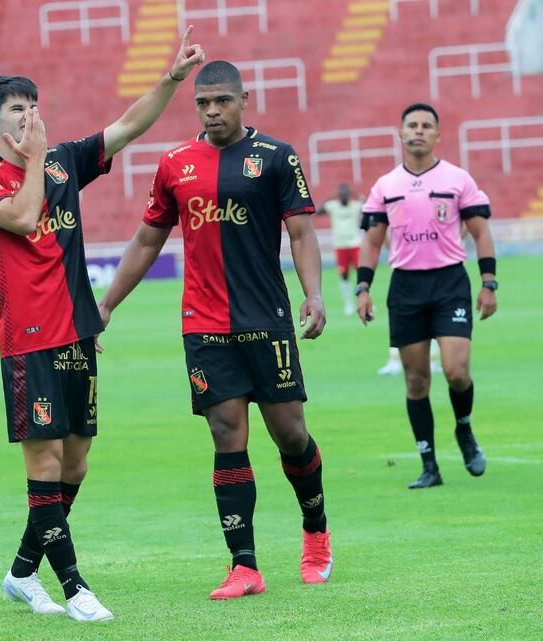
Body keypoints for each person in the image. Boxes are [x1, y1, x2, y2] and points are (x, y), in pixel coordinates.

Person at [0, 28, 204, 622]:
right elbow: (23, 218)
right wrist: (35, 159)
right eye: (16, 109)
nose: (28, 115)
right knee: (43, 463)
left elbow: (128, 126)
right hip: (28, 339)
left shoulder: (65, 160)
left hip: (78, 331)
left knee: (76, 463)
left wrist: (172, 78)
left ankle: (22, 573)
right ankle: (75, 589)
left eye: (32, 105)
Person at [97, 60, 332, 601]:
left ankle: (316, 531)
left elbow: (300, 233)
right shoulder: (174, 163)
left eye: (222, 100)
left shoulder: (276, 156)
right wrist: (106, 304)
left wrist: (314, 294)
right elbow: (147, 240)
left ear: (244, 100)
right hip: (203, 324)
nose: (212, 111)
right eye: (203, 103)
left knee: (290, 434)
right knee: (228, 435)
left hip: (266, 318)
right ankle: (244, 566)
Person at [356, 103, 497, 489]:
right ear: (401, 133)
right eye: (412, 125)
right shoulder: (386, 186)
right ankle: (429, 465)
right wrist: (363, 287)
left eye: (426, 126)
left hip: (449, 283)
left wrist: (489, 282)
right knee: (416, 380)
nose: (418, 130)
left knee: (456, 371)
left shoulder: (457, 179)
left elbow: (481, 232)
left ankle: (464, 428)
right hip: (406, 288)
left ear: (437, 135)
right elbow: (372, 241)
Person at [316, 183, 363, 316]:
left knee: (361, 274)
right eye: (341, 194)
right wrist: (330, 197)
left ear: (349, 195)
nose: (344, 197)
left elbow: (368, 205)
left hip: (355, 244)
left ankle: (363, 301)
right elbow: (317, 211)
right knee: (344, 276)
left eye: (346, 194)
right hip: (340, 246)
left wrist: (355, 194)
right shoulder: (333, 206)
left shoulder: (356, 206)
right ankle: (348, 304)